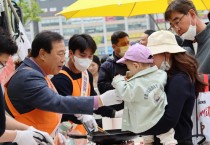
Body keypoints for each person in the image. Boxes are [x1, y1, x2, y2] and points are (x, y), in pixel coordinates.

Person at [4, 31, 122, 145]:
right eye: (60, 54)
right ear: (43, 54)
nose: (62, 59)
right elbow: (56, 102)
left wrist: (55, 132)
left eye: (63, 54)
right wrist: (99, 100)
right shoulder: (28, 77)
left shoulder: (38, 74)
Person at [137, 30, 206, 145]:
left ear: (167, 54)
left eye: (153, 56)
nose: (150, 61)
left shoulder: (179, 79)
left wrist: (138, 129)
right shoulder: (167, 76)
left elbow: (169, 119)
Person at [112, 43, 177, 145]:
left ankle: (148, 142)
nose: (128, 70)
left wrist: (118, 80)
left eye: (128, 67)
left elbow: (125, 93)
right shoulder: (161, 74)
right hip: (160, 115)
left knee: (147, 137)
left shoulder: (135, 83)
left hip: (144, 120)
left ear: (136, 65)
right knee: (168, 138)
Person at [0, 28, 54, 145]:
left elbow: (1, 118)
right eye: (1, 63)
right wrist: (18, 136)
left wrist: (28, 129)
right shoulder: (26, 77)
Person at [51, 34, 100, 145]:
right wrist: (82, 115)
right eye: (83, 55)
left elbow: (94, 101)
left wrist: (113, 113)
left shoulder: (87, 74)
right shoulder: (60, 79)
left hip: (84, 134)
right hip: (66, 135)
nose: (87, 60)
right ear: (71, 54)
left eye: (90, 56)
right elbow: (63, 108)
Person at [165, 0, 210, 74]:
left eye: (177, 22)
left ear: (192, 14)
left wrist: (197, 80)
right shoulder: (185, 50)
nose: (177, 29)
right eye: (172, 26)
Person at [98, 31, 129, 121]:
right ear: (114, 47)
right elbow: (102, 86)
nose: (127, 46)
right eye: (123, 44)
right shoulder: (107, 65)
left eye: (128, 43)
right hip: (118, 111)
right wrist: (119, 82)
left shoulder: (134, 60)